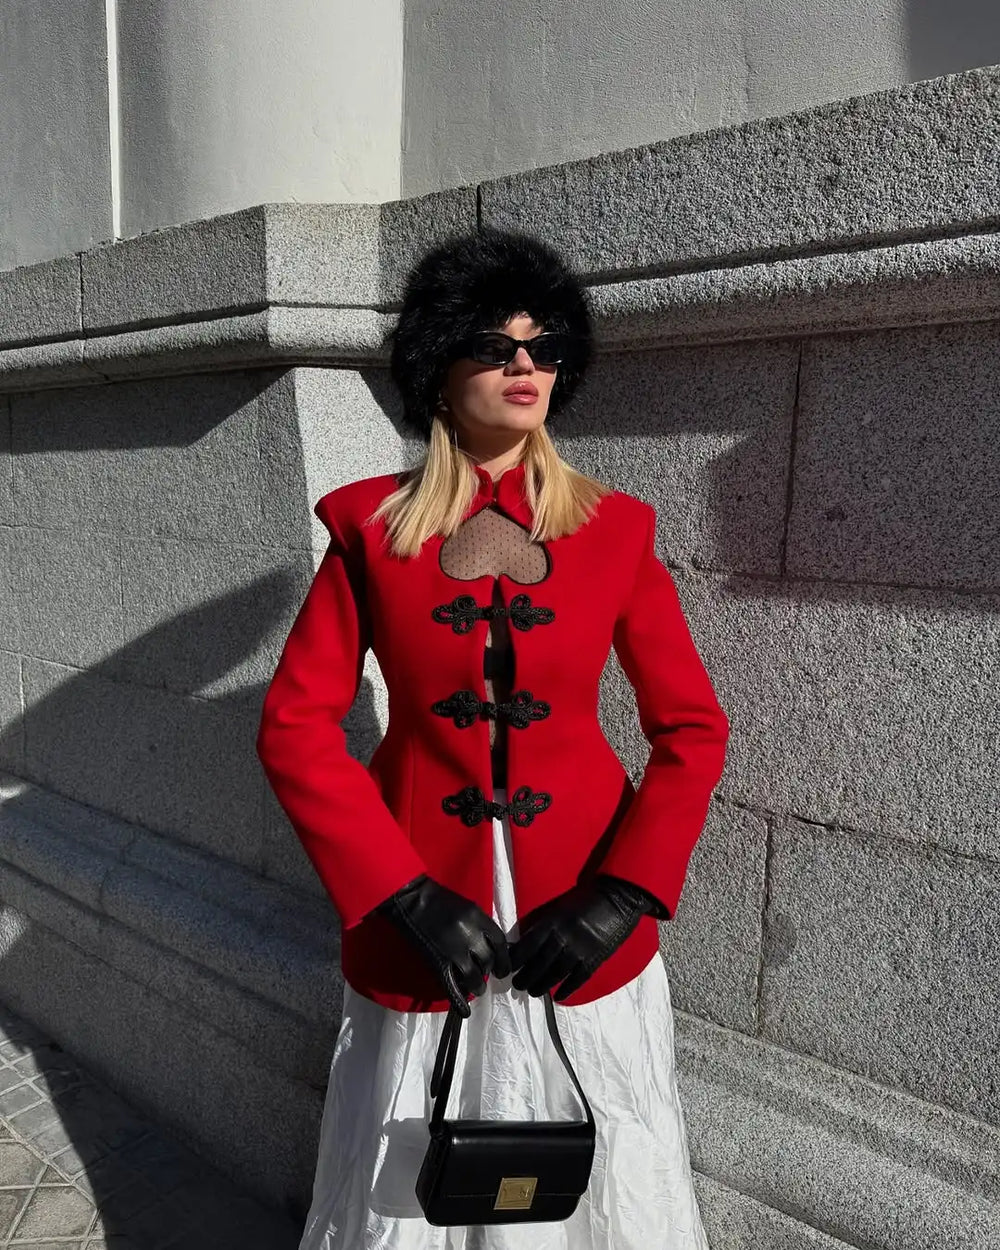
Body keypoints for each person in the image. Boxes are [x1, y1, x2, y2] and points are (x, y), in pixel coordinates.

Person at [256, 226, 730, 1249]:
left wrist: (625, 890)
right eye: (495, 341)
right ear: (437, 368)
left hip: (580, 922)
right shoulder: (369, 532)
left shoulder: (615, 531)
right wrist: (397, 886)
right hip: (429, 922)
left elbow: (691, 726)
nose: (526, 363)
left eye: (545, 344)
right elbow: (295, 725)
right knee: (416, 1172)